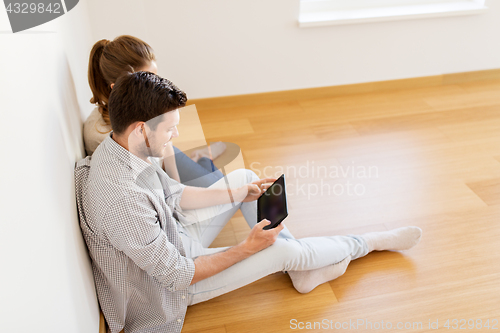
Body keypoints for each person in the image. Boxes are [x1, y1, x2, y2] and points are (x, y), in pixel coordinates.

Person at [75, 72, 422, 333]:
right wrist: (246, 248)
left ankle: (303, 269)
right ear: (141, 129)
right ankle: (368, 243)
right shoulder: (123, 200)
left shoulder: (120, 147)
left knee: (243, 180)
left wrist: (239, 193)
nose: (175, 136)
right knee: (283, 251)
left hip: (175, 234)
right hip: (171, 287)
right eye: (169, 130)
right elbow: (178, 275)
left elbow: (175, 196)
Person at [84, 35, 226, 187]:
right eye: (147, 79)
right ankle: (202, 158)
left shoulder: (144, 103)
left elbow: (168, 146)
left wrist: (176, 186)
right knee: (226, 193)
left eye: (155, 77)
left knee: (226, 189)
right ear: (118, 86)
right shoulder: (102, 138)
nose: (155, 86)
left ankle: (201, 157)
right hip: (156, 174)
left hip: (165, 158)